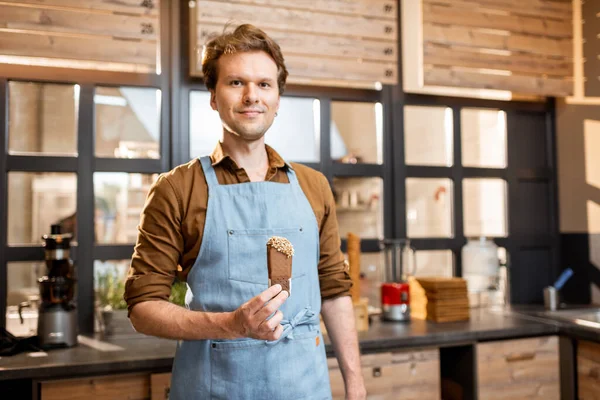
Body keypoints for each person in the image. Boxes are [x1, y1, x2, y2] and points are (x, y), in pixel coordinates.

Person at [124, 24, 366, 400]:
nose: (252, 96)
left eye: (264, 84)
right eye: (236, 83)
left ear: (278, 97)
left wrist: (355, 384)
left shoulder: (314, 186)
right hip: (214, 387)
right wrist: (232, 325)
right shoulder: (178, 189)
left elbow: (333, 291)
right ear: (213, 96)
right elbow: (143, 309)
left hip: (306, 387)